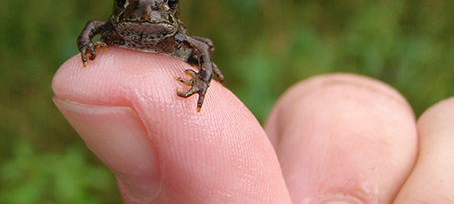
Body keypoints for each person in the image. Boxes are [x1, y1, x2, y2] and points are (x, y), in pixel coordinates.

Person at [52, 47, 453, 203]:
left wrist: (201, 80)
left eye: (165, 3)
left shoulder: (174, 36)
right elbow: (92, 30)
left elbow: (201, 50)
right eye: (128, 2)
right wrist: (91, 46)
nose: (147, 10)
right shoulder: (115, 31)